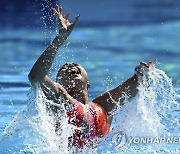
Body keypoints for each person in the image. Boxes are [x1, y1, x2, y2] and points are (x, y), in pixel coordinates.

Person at [28, 4, 154, 148]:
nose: (70, 66)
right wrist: (59, 39)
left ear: (88, 83)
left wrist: (143, 72)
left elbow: (136, 84)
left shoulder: (103, 106)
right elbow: (36, 77)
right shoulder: (61, 100)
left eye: (76, 66)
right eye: (63, 69)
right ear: (58, 84)